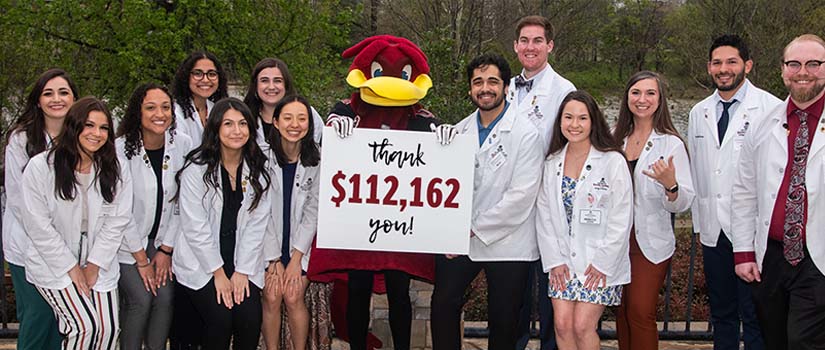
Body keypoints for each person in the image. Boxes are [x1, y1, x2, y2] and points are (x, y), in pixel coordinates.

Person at [431, 53, 543, 349]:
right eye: (477, 82)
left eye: (493, 81)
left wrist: (471, 227)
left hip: (509, 241)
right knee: (442, 303)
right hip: (462, 238)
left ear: (506, 87)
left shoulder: (526, 133)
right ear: (470, 89)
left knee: (504, 321)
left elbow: (521, 196)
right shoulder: (458, 132)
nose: (485, 88)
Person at [732, 34, 825, 350]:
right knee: (774, 339)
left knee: (803, 340)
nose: (803, 71)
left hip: (818, 257)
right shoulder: (764, 123)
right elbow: (744, 191)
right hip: (770, 257)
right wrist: (744, 252)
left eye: (814, 63)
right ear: (783, 69)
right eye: (794, 64)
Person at [687, 35, 780, 350]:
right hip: (714, 234)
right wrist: (700, 227)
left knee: (756, 316)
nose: (723, 69)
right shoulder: (698, 112)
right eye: (717, 62)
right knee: (722, 315)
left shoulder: (771, 109)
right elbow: (699, 172)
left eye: (731, 62)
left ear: (748, 65)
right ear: (709, 67)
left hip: (754, 235)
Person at [18, 96, 130, 350]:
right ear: (74, 126)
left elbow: (117, 220)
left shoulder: (115, 168)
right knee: (84, 327)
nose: (96, 134)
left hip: (98, 264)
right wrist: (71, 267)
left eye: (103, 128)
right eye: (89, 125)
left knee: (109, 330)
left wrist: (94, 264)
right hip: (54, 264)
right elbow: (38, 226)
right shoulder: (41, 167)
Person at [536, 91, 633, 350]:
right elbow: (544, 215)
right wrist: (555, 260)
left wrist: (603, 262)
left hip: (598, 263)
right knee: (562, 325)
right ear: (559, 121)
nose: (574, 124)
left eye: (582, 118)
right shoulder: (551, 162)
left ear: (594, 121)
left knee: (582, 326)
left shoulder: (612, 161)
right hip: (562, 262)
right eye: (568, 117)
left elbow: (621, 217)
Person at [172, 97, 271, 350]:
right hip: (203, 263)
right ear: (215, 128)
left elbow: (256, 227)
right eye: (228, 124)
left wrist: (241, 272)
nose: (236, 131)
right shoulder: (197, 169)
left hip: (241, 262)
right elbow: (195, 227)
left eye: (242, 124)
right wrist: (218, 272)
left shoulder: (258, 170)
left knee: (249, 320)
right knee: (220, 319)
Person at [612, 71, 695, 350]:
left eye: (650, 93)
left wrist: (671, 185)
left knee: (639, 311)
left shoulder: (670, 143)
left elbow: (684, 202)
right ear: (627, 97)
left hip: (650, 243)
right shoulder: (614, 139)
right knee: (621, 313)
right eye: (636, 92)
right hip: (616, 241)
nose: (642, 99)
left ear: (660, 100)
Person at [509, 16, 576, 349]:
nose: (530, 47)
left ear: (550, 45)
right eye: (524, 40)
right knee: (515, 290)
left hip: (548, 201)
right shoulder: (505, 86)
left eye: (537, 41)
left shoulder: (565, 91)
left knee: (552, 286)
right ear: (515, 45)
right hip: (510, 203)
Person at [3, 68, 77, 350]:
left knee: (65, 321)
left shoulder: (84, 139)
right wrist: (53, 237)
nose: (56, 99)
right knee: (38, 319)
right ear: (38, 101)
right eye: (48, 93)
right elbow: (19, 202)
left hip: (68, 249)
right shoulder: (21, 141)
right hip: (29, 246)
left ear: (74, 99)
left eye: (63, 92)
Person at [115, 83, 193, 350]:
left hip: (164, 242)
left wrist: (165, 249)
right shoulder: (119, 150)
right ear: (138, 112)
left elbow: (185, 202)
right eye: (150, 107)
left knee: (165, 298)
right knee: (141, 299)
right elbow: (119, 212)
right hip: (125, 245)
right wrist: (141, 259)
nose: (159, 113)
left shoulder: (182, 144)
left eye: (165, 107)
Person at [261, 95, 321, 350]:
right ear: (275, 122)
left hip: (302, 244)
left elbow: (314, 210)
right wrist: (274, 259)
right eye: (287, 117)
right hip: (267, 242)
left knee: (293, 295)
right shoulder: (260, 158)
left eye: (301, 118)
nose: (294, 124)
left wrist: (296, 259)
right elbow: (259, 212)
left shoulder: (317, 159)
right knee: (272, 295)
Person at [242, 57, 324, 149]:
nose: (271, 87)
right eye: (264, 81)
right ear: (255, 85)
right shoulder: (242, 117)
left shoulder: (308, 114)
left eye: (277, 81)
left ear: (286, 85)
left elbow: (326, 151)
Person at [172, 51, 229, 147]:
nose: (206, 80)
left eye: (211, 74)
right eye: (198, 73)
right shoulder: (176, 113)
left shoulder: (219, 109)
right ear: (186, 77)